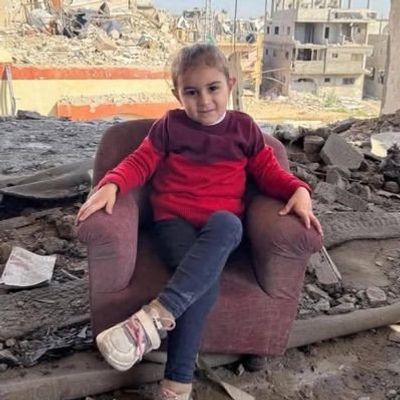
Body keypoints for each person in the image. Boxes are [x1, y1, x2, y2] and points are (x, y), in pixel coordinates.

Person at [76, 43, 323, 400]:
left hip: (220, 231)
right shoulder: (170, 126)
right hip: (173, 222)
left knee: (229, 224)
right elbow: (140, 161)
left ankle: (156, 316)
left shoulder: (243, 129)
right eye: (191, 92)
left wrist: (299, 189)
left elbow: (269, 172)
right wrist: (112, 183)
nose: (204, 100)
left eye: (213, 88)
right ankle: (177, 385)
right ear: (177, 93)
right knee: (202, 287)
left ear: (230, 85)